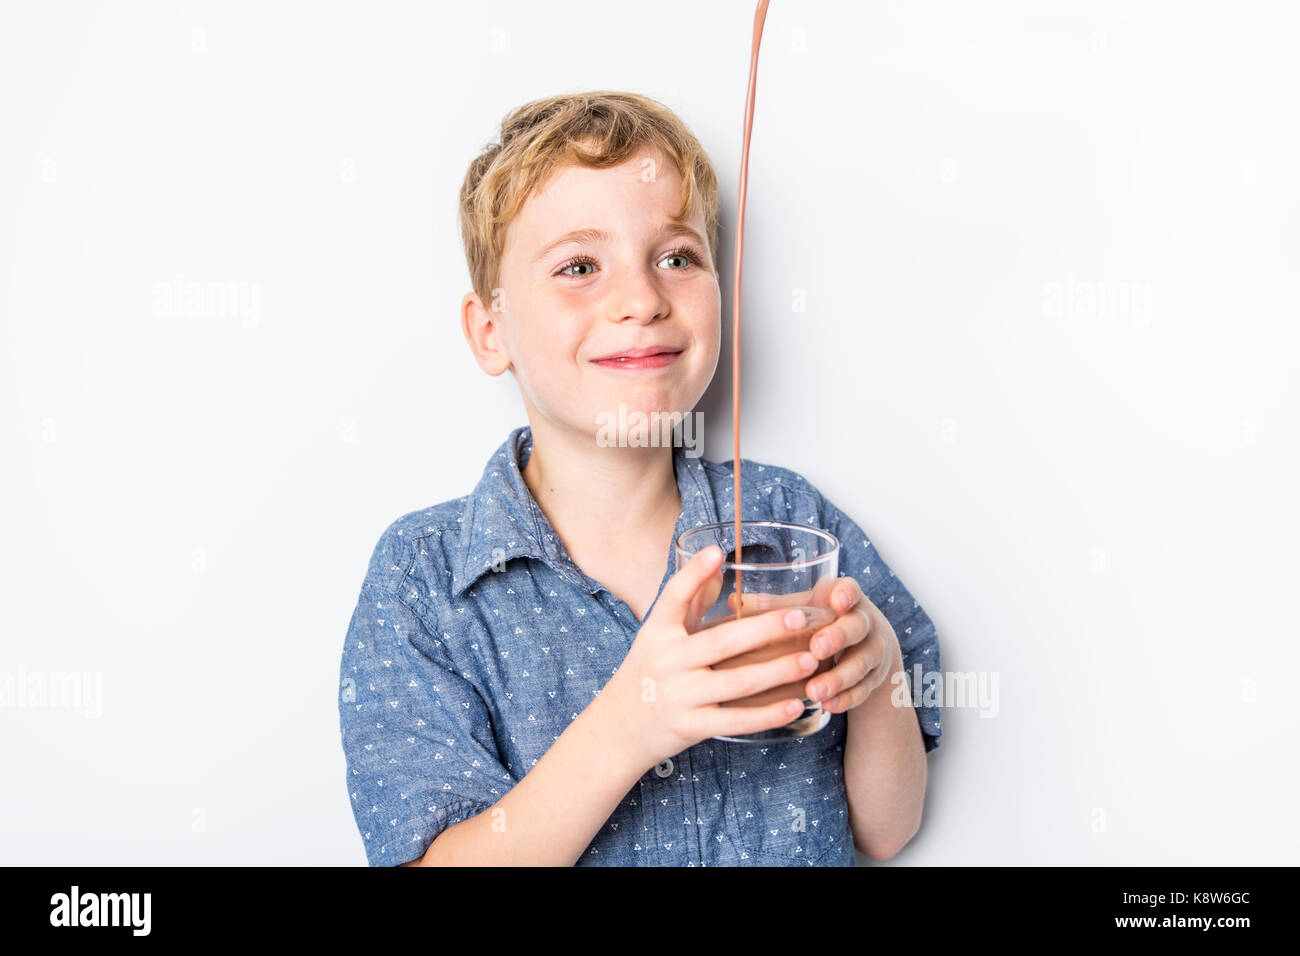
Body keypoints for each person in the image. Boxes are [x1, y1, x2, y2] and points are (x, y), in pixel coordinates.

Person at [338, 91, 942, 866]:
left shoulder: (786, 516)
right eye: (580, 266)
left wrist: (880, 667)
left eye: (678, 257)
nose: (641, 300)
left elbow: (886, 830)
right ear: (491, 332)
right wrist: (631, 722)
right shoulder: (423, 578)